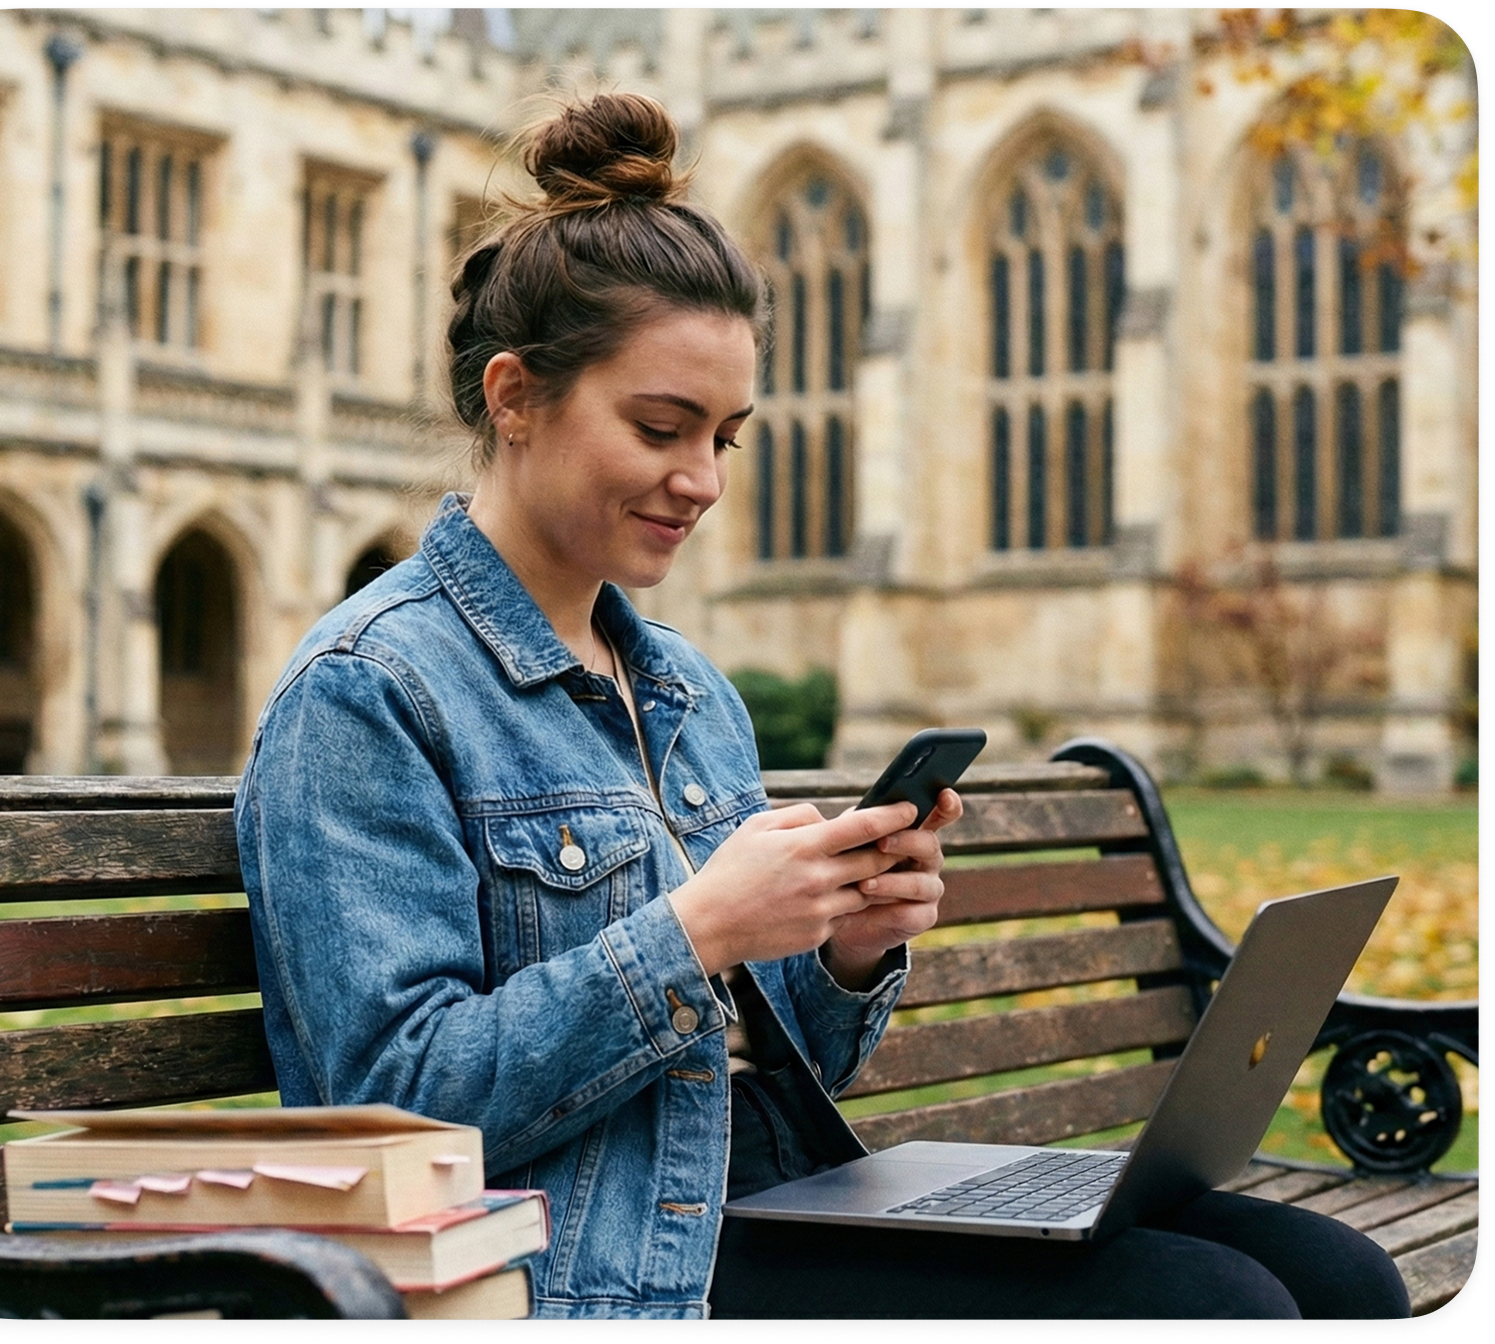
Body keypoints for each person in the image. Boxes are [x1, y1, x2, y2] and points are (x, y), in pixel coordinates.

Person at [236, 93, 1409, 1322]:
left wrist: (849, 949)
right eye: (661, 427)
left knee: (1341, 1272)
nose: (701, 482)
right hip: (584, 1262)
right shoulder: (368, 693)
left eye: (728, 437)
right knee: (1217, 1305)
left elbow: (788, 1059)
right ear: (516, 395)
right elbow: (391, 1110)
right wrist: (697, 933)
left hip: (778, 1196)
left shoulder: (688, 692)